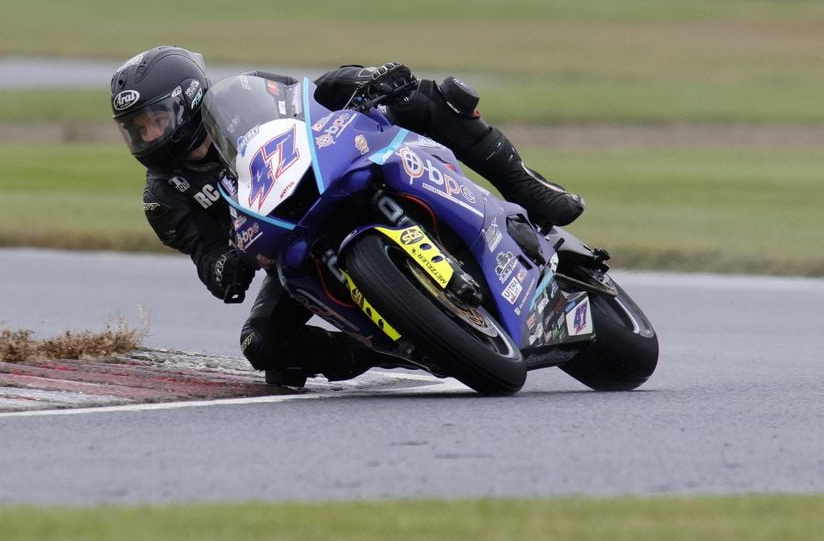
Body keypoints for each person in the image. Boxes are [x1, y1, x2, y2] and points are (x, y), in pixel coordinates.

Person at [110, 46, 584, 387]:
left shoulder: (237, 101)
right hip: (290, 244)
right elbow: (207, 258)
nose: (149, 135)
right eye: (137, 130)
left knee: (432, 96)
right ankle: (387, 347)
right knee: (263, 347)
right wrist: (226, 265)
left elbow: (311, 95)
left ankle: (530, 186)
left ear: (189, 100)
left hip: (338, 171)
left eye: (156, 120)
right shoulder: (164, 197)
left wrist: (362, 78)